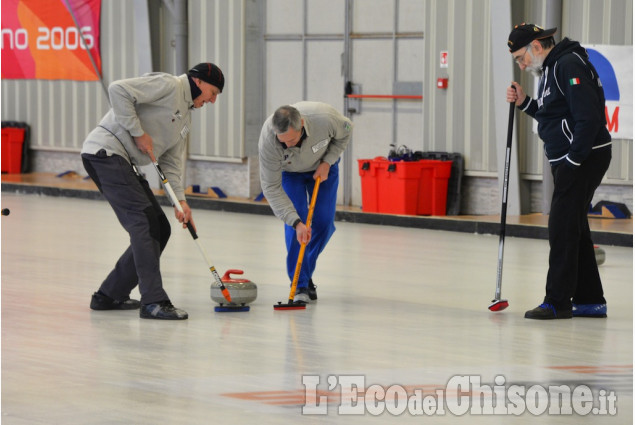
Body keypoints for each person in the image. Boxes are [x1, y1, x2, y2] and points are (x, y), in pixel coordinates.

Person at [81, 62, 225, 320]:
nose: (213, 100)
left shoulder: (185, 117)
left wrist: (180, 202)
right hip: (106, 153)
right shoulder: (170, 85)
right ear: (199, 82)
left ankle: (110, 294)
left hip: (123, 161)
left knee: (160, 226)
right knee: (144, 224)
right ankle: (153, 301)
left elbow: (170, 161)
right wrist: (137, 132)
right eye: (213, 93)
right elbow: (118, 90)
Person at [506, 24, 611, 320]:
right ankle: (590, 300)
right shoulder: (552, 69)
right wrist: (526, 102)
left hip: (583, 158)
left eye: (520, 57)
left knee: (562, 227)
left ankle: (557, 302)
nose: (521, 64)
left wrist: (573, 162)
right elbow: (553, 114)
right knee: (574, 224)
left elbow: (588, 118)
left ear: (536, 47)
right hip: (572, 158)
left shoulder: (567, 64)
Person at [259, 102, 353, 303]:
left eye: (292, 140)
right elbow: (271, 188)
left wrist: (328, 161)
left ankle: (304, 270)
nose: (288, 145)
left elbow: (346, 131)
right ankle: (300, 284)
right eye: (283, 142)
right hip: (290, 173)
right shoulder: (268, 140)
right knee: (298, 225)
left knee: (324, 223)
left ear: (301, 124)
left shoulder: (326, 119)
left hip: (323, 167)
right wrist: (296, 222)